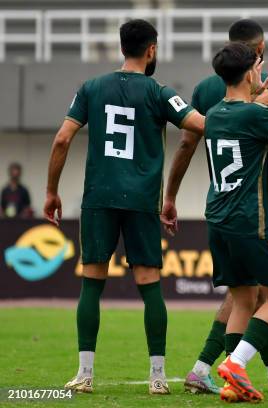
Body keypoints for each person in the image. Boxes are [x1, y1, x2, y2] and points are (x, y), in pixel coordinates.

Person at [43, 19, 205, 395]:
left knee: (92, 283)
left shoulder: (90, 88)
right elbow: (200, 125)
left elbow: (62, 140)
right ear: (151, 50)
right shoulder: (160, 91)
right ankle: (158, 377)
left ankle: (84, 375)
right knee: (150, 286)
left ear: (122, 48)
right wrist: (245, 108)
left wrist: (51, 191)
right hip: (141, 201)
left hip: (99, 197)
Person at [167, 19, 268, 395]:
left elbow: (200, 136)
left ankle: (233, 382)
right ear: (254, 66)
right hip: (252, 220)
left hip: (217, 218)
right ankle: (234, 364)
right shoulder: (256, 113)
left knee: (242, 301)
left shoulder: (213, 113)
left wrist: (255, 102)